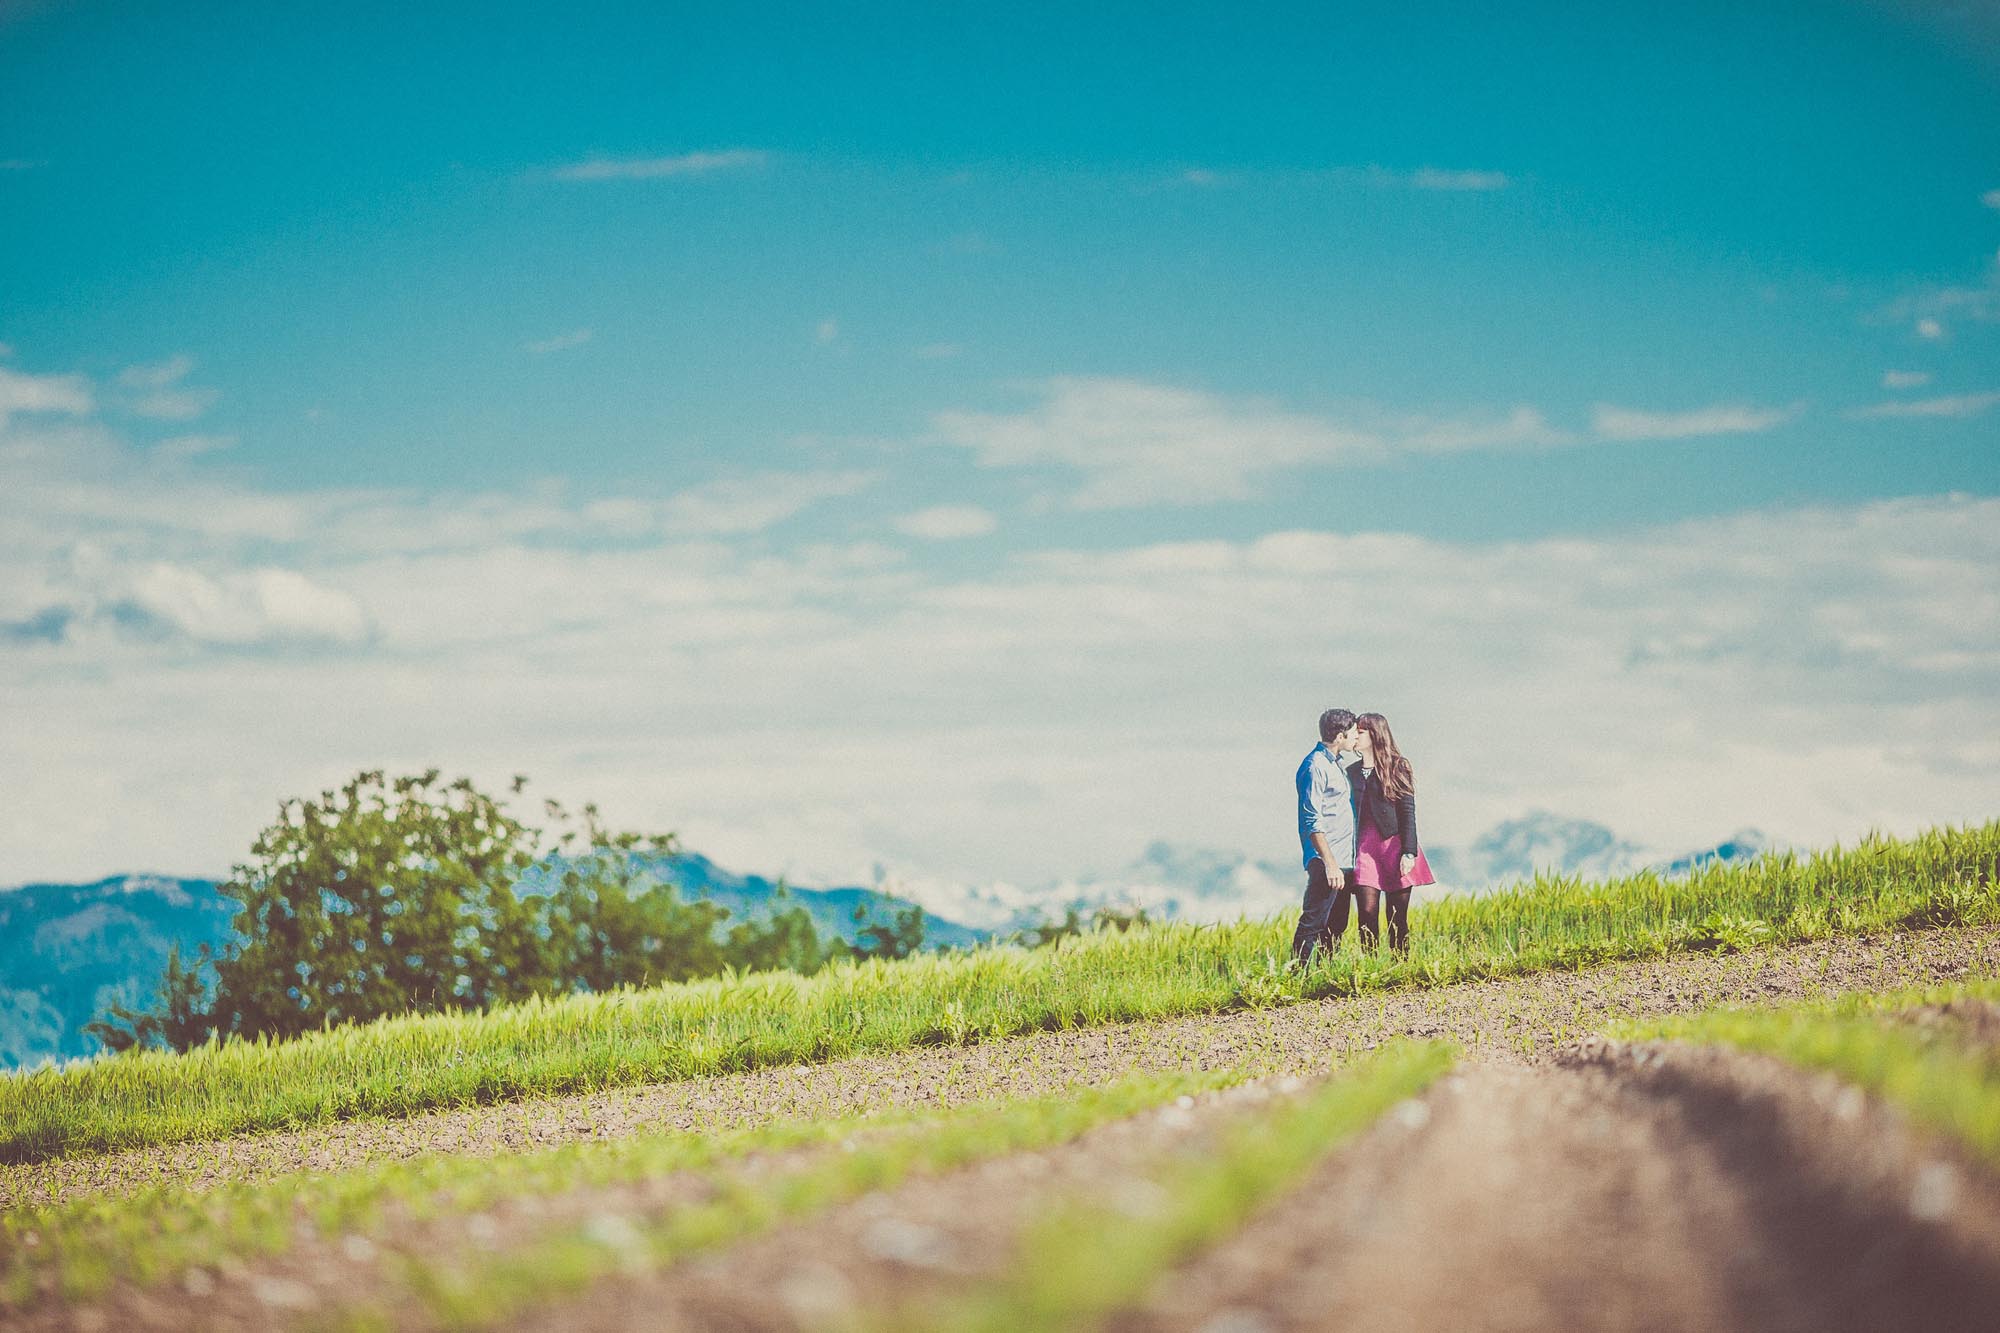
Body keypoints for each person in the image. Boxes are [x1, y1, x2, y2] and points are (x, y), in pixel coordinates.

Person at [1350, 711, 1436, 953]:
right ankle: (1369, 968)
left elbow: (1408, 811)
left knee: (1396, 915)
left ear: (1375, 734)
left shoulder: (1398, 766)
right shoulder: (1351, 772)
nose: (1355, 735)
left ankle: (1400, 966)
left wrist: (1409, 852)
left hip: (1394, 847)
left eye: (1361, 731)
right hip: (1364, 850)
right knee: (1366, 913)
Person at [1291, 708, 1361, 963]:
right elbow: (1312, 819)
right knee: (1314, 922)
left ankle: (1324, 974)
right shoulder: (1315, 766)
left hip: (1342, 859)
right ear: (1341, 735)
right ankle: (1298, 977)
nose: (1357, 737)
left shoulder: (1336, 764)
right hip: (1326, 860)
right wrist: (1330, 864)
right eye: (1353, 733)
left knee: (1336, 925)